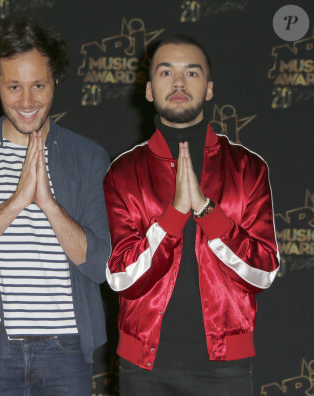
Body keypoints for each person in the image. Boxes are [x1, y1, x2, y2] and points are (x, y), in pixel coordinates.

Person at [0, 17, 111, 395]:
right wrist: (15, 203)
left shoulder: (88, 157)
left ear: (55, 82)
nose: (27, 102)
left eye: (38, 86)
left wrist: (47, 204)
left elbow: (100, 265)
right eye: (14, 86)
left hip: (67, 350)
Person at [104, 34, 280, 395]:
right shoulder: (123, 172)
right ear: (150, 89)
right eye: (166, 73)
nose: (180, 83)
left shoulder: (248, 169)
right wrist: (173, 216)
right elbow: (121, 278)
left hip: (226, 368)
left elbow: (263, 273)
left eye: (192, 73)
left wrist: (205, 210)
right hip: (143, 367)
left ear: (209, 88)